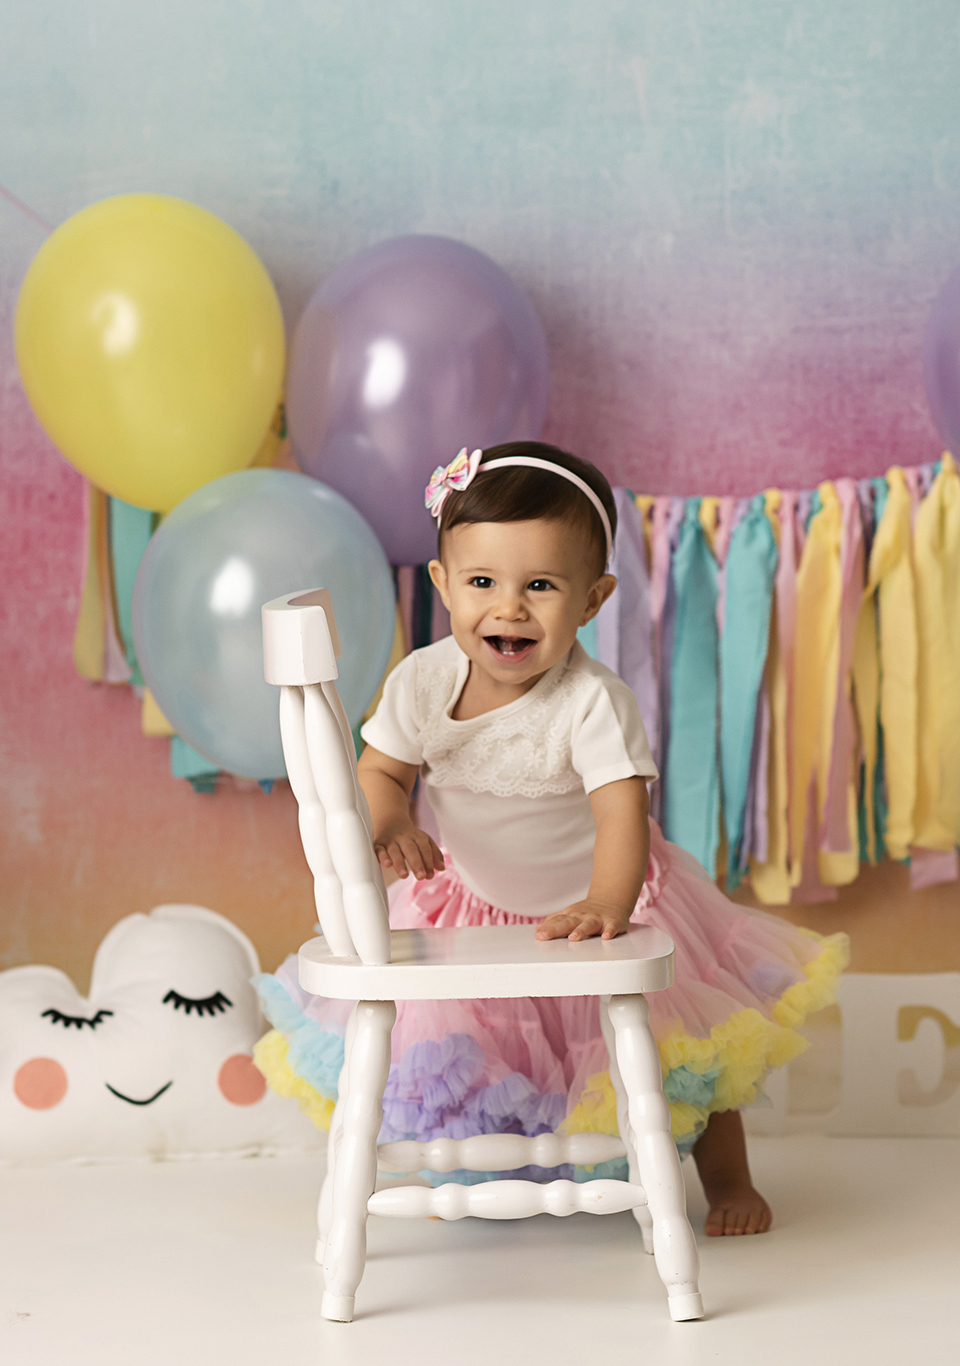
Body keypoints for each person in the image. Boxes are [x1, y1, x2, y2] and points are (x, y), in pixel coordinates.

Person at [256, 441, 847, 1237]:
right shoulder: (421, 681)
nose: (509, 609)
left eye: (540, 586)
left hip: (609, 890)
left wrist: (609, 901)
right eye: (482, 583)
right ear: (442, 584)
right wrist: (389, 818)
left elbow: (620, 813)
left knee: (690, 1049)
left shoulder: (591, 700)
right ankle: (487, 1165)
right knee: (474, 1045)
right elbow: (379, 771)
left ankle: (728, 1177)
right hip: (472, 899)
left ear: (594, 599)